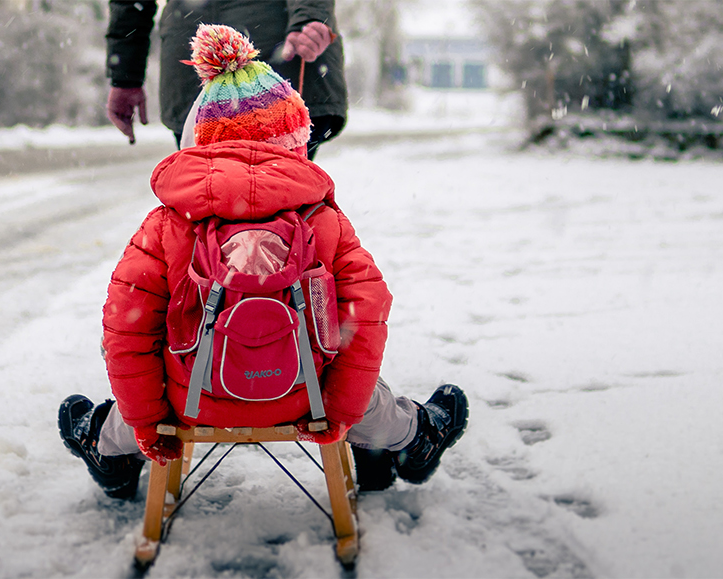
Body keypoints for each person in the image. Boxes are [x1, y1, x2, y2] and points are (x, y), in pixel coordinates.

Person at [60, 25, 465, 500]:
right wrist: (338, 411)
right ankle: (415, 436)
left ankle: (107, 446)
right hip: (303, 398)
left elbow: (126, 330)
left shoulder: (167, 224)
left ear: (202, 140)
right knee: (364, 389)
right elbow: (367, 312)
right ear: (295, 141)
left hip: (191, 404)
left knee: (144, 376)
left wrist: (149, 424)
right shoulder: (324, 221)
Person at [104, 0, 348, 159]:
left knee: (213, 206)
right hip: (210, 69)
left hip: (273, 57)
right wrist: (125, 76)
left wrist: (309, 17)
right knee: (285, 205)